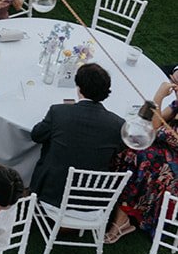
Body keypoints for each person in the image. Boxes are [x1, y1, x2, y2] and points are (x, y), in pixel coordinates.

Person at [30, 62, 125, 206]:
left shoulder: (59, 112)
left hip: (51, 195)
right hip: (92, 201)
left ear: (79, 87)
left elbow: (36, 135)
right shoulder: (117, 124)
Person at [107, 65, 178, 243]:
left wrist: (158, 98)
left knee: (142, 158)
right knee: (133, 148)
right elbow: (157, 123)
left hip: (173, 164)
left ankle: (123, 219)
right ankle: (113, 199)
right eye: (173, 81)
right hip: (164, 151)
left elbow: (157, 130)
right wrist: (159, 101)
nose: (173, 87)